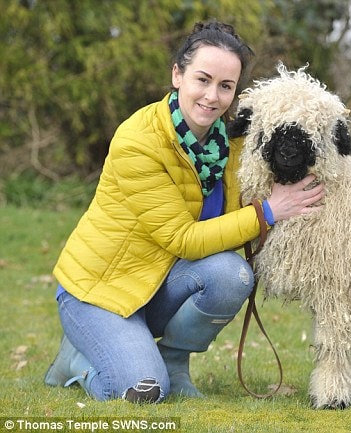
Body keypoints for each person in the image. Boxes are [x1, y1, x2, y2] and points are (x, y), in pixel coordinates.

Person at [44, 20, 324, 403]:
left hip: (159, 284)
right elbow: (183, 239)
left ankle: (174, 364)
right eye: (203, 79)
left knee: (232, 275)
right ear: (177, 74)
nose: (212, 96)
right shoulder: (138, 141)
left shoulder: (233, 144)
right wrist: (268, 211)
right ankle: (77, 361)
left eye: (226, 86)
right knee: (142, 392)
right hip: (100, 293)